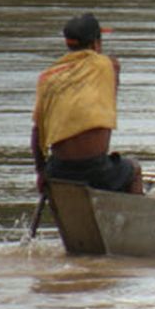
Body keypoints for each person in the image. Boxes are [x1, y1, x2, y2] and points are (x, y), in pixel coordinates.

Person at [31, 13, 142, 195]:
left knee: (57, 173)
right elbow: (108, 108)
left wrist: (41, 172)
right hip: (96, 169)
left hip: (59, 170)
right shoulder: (107, 66)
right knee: (134, 169)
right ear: (95, 44)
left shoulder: (48, 77)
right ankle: (138, 221)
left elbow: (37, 133)